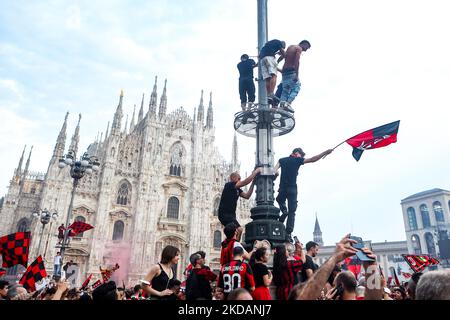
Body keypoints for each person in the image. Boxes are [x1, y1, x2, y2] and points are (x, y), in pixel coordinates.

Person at [274, 147, 333, 242]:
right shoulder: (298, 160)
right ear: (296, 153)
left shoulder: (281, 160)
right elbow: (313, 159)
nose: (301, 157)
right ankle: (288, 233)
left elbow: (274, 170)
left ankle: (284, 211)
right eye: (300, 155)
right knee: (292, 212)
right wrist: (325, 152)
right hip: (292, 189)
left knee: (279, 200)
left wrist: (276, 174)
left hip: (282, 189)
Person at [218, 168, 262, 241]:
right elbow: (245, 182)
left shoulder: (237, 189)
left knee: (236, 232)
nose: (240, 179)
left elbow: (247, 196)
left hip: (231, 215)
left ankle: (231, 244)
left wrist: (253, 183)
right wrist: (255, 172)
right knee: (239, 229)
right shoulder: (229, 185)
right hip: (224, 214)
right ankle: (235, 246)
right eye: (238, 178)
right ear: (233, 178)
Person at [278, 40, 311, 113]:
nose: (305, 50)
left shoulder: (290, 47)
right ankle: (288, 103)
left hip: (285, 73)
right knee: (297, 86)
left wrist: (277, 62)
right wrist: (296, 75)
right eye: (307, 47)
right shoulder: (298, 48)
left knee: (285, 89)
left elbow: (284, 56)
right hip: (291, 71)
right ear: (304, 44)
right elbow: (297, 61)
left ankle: (282, 105)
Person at [259, 39, 286, 105]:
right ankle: (271, 93)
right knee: (274, 75)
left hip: (262, 59)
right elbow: (283, 53)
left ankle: (269, 96)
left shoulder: (269, 45)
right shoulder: (278, 42)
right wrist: (285, 56)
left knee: (267, 78)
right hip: (270, 57)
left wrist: (276, 56)